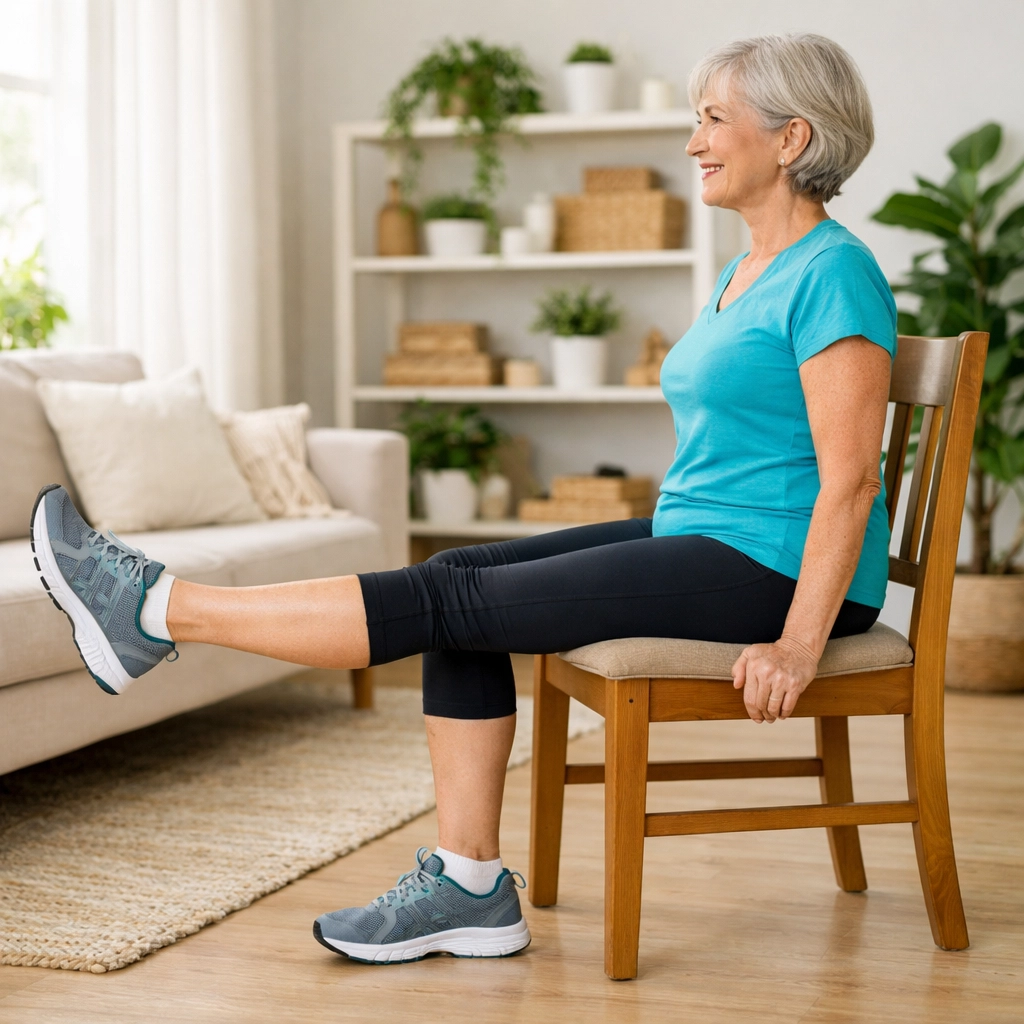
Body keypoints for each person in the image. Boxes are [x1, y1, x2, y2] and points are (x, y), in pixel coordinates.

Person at [30, 33, 896, 965]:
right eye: (697, 119)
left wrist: (799, 643)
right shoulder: (745, 272)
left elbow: (851, 478)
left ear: (793, 138)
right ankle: (469, 885)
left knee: (452, 601)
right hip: (709, 541)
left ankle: (158, 607)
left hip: (776, 569)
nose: (694, 142)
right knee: (456, 576)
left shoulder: (833, 272)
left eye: (715, 119)